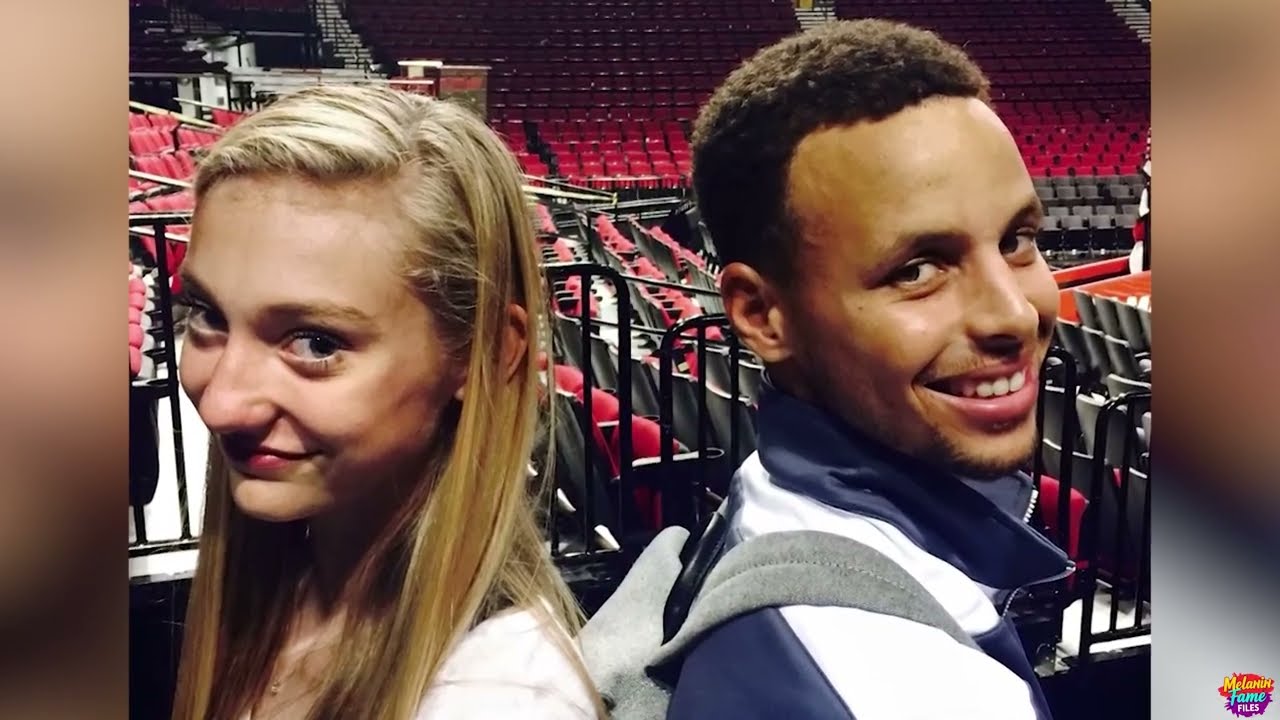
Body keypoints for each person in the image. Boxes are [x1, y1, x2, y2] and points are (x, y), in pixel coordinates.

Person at [678, 20, 1073, 719]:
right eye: (917, 270)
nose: (1014, 314)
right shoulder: (907, 687)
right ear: (763, 315)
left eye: (1017, 240)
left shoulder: (766, 492)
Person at [169, 85, 600, 720]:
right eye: (207, 314)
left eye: (316, 343)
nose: (222, 405)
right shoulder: (285, 585)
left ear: (484, 353)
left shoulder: (500, 700)